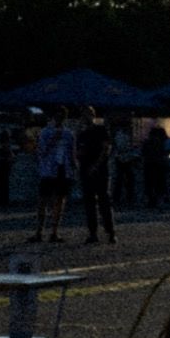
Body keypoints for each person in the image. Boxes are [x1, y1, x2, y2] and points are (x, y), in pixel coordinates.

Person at [33, 106, 75, 244]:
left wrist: (73, 169)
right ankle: (39, 231)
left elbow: (71, 152)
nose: (59, 119)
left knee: (59, 201)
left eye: (62, 116)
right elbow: (41, 151)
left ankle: (54, 232)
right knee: (43, 201)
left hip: (63, 169)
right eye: (57, 116)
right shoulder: (45, 132)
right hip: (48, 170)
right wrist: (53, 140)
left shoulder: (68, 134)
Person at [76, 104, 117, 244]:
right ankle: (93, 233)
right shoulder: (82, 134)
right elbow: (79, 152)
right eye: (83, 115)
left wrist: (96, 165)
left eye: (88, 114)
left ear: (93, 115)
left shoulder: (101, 130)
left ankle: (110, 231)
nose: (85, 117)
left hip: (100, 170)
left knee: (104, 200)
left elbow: (106, 149)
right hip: (86, 170)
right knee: (89, 203)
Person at [142, 121, 170, 208]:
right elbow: (164, 153)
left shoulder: (147, 143)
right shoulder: (161, 143)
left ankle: (151, 200)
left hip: (149, 164)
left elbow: (143, 153)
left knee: (150, 184)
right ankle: (159, 200)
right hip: (159, 164)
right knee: (160, 183)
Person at [0, 127, 14, 208]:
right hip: (4, 165)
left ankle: (2, 200)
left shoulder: (0, 145)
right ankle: (4, 200)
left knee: (1, 184)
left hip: (1, 166)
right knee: (4, 184)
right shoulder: (6, 145)